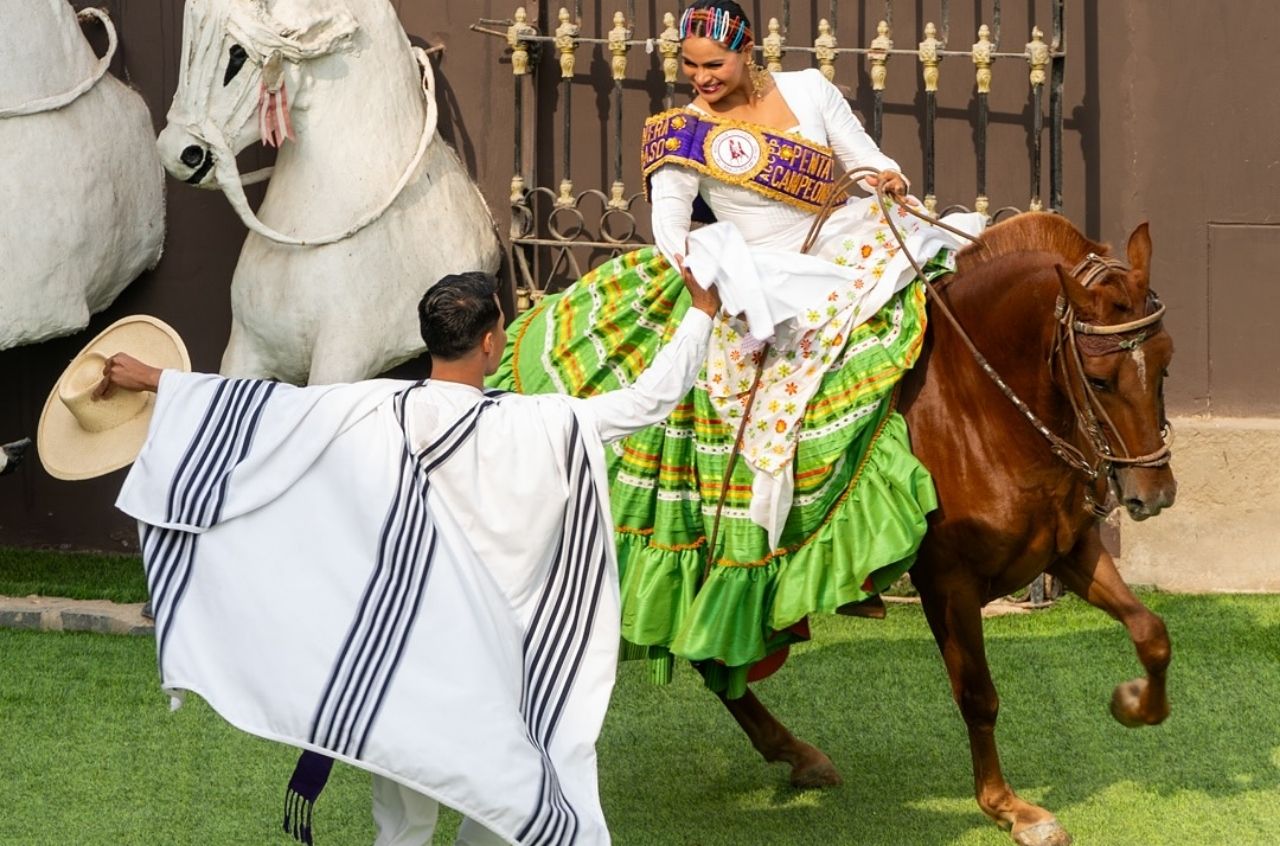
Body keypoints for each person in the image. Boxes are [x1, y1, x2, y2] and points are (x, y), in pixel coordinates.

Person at [100, 269, 720, 846]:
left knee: (402, 820)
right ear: (488, 342)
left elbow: (257, 409)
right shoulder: (541, 423)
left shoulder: (370, 407)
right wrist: (702, 312)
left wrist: (159, 380)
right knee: (504, 797)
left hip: (403, 653)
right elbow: (646, 402)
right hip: (501, 652)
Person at [489, 0, 986, 698]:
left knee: (951, 269)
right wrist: (709, 269)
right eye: (689, 66)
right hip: (758, 278)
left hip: (843, 245)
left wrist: (886, 177)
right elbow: (668, 225)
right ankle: (779, 565)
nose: (700, 78)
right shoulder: (681, 133)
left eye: (713, 65)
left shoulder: (809, 89)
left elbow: (866, 160)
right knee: (770, 419)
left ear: (747, 52)